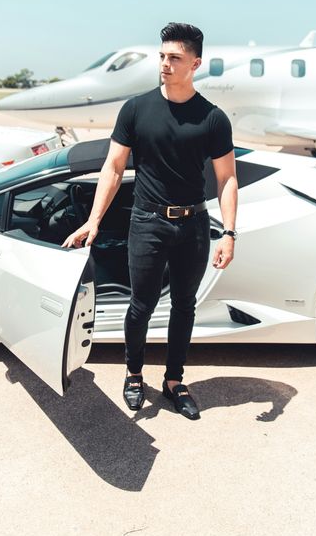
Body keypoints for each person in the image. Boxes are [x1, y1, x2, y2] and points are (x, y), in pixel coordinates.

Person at [63, 22, 238, 420]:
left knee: (184, 306)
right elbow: (113, 166)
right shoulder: (136, 109)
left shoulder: (212, 118)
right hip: (146, 221)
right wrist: (94, 220)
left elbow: (227, 179)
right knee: (139, 305)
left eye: (174, 58)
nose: (165, 64)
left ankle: (174, 381)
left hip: (193, 225)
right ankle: (134, 374)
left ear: (195, 63)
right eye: (162, 56)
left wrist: (229, 232)